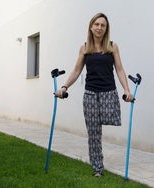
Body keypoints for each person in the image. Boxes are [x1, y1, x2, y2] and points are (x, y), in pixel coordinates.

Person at [55, 12, 133, 177]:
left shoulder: (112, 46)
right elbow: (77, 70)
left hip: (109, 93)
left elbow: (119, 69)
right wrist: (64, 87)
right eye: (96, 24)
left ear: (106, 29)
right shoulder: (85, 48)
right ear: (91, 27)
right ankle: (98, 168)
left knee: (111, 120)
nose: (99, 28)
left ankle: (98, 149)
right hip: (90, 94)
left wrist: (126, 90)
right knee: (94, 133)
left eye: (102, 25)